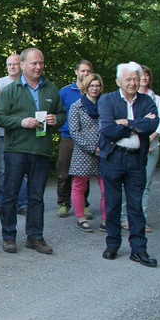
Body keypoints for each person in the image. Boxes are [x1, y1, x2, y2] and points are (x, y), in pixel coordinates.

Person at [0, 47, 65, 254]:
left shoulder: (50, 89)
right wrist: (20, 122)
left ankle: (35, 237)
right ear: (23, 65)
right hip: (16, 150)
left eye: (41, 63)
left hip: (41, 150)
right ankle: (8, 237)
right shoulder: (11, 90)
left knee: (37, 197)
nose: (38, 67)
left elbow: (62, 114)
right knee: (10, 195)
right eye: (34, 63)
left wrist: (56, 119)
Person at [98, 62, 158, 267]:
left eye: (136, 79)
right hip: (113, 158)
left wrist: (125, 122)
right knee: (112, 203)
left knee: (135, 206)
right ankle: (112, 244)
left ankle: (139, 250)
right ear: (118, 81)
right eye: (128, 79)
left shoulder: (147, 100)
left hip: (136, 160)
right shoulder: (107, 100)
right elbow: (108, 130)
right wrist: (138, 124)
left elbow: (152, 125)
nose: (133, 83)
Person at [120, 65, 160, 232]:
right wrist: (141, 130)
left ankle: (140, 220)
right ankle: (124, 217)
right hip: (131, 146)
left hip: (152, 146)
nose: (144, 78)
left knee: (145, 184)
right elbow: (127, 123)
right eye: (141, 75)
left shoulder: (157, 100)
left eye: (146, 75)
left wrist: (147, 141)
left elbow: (158, 124)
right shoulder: (128, 98)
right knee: (126, 183)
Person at [66, 73, 106, 233]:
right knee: (79, 185)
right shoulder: (77, 106)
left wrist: (103, 147)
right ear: (86, 87)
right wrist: (92, 148)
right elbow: (74, 132)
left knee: (107, 187)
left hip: (104, 151)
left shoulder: (105, 105)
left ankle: (106, 219)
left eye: (97, 85)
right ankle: (81, 218)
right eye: (91, 85)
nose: (95, 88)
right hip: (83, 152)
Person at [57, 60, 94, 218]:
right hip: (68, 137)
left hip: (86, 140)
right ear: (76, 72)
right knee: (63, 172)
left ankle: (83, 205)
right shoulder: (65, 92)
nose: (85, 74)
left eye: (88, 71)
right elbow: (58, 112)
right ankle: (63, 204)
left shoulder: (94, 92)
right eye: (83, 71)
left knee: (84, 173)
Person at [0, 54, 28, 217]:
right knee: (3, 169)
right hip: (3, 133)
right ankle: (0, 203)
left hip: (24, 134)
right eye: (9, 64)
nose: (12, 67)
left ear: (21, 65)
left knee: (23, 169)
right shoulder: (0, 83)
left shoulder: (27, 83)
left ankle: (22, 203)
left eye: (15, 64)